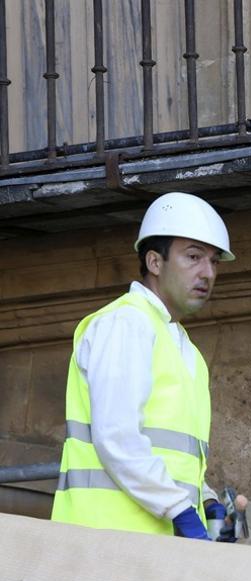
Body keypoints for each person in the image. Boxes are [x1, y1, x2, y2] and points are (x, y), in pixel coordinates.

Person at [51, 192, 234, 539]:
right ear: (154, 261)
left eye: (214, 262)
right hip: (104, 540)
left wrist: (204, 500)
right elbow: (118, 438)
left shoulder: (184, 347)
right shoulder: (127, 323)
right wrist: (180, 509)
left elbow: (168, 454)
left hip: (147, 544)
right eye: (193, 257)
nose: (207, 273)